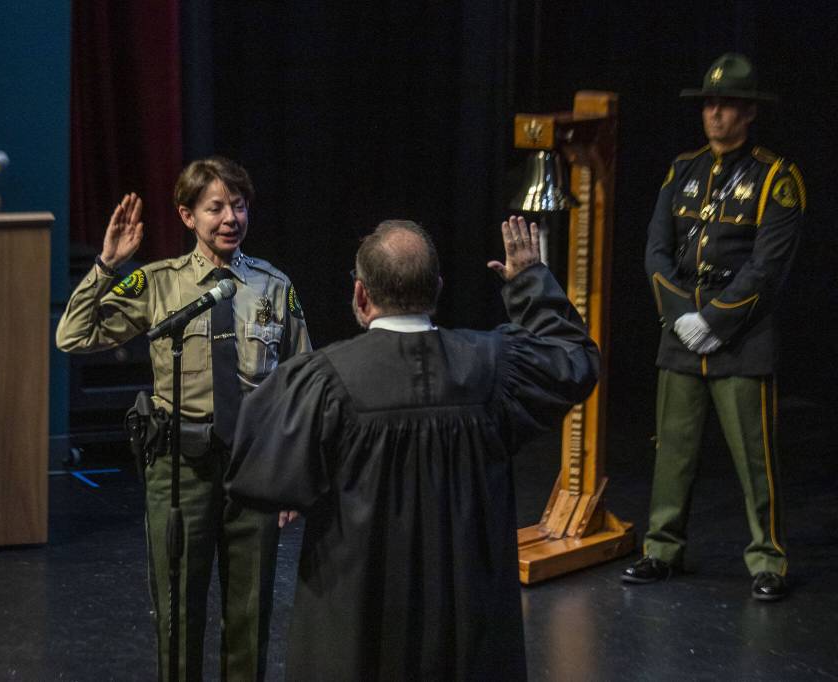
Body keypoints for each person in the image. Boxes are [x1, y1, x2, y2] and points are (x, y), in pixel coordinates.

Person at [225, 216, 599, 680]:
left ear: (361, 296)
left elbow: (256, 472)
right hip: (466, 622)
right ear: (437, 288)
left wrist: (297, 484)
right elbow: (575, 360)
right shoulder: (493, 367)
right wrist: (529, 284)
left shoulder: (324, 380)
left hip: (360, 625)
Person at [55, 156, 311, 680]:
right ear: (187, 215)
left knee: (250, 613)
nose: (230, 219)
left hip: (253, 472)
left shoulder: (273, 287)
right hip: (179, 472)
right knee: (177, 613)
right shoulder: (158, 284)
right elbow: (72, 336)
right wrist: (106, 266)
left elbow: (303, 384)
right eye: (215, 207)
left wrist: (292, 479)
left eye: (238, 206)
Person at [622, 53, 805, 601]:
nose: (714, 114)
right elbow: (656, 251)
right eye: (708, 103)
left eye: (726, 105)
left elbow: (768, 268)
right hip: (681, 334)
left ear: (749, 112)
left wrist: (715, 321)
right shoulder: (683, 169)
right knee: (672, 448)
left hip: (742, 337)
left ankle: (768, 558)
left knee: (755, 455)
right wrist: (681, 317)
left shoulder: (777, 177)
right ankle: (662, 548)